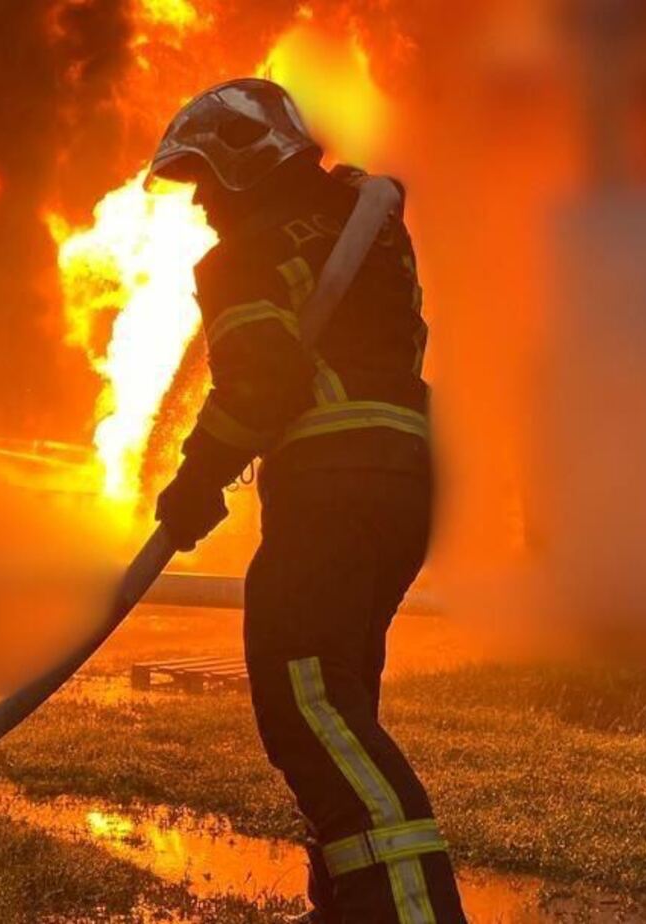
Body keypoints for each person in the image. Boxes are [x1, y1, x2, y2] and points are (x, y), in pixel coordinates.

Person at [148, 79, 467, 923]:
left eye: (208, 181)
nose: (204, 205)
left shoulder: (241, 256)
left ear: (247, 164)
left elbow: (266, 381)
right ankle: (345, 907)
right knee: (340, 702)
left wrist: (193, 480)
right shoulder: (365, 224)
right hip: (401, 486)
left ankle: (412, 913)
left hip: (332, 488)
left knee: (310, 708)